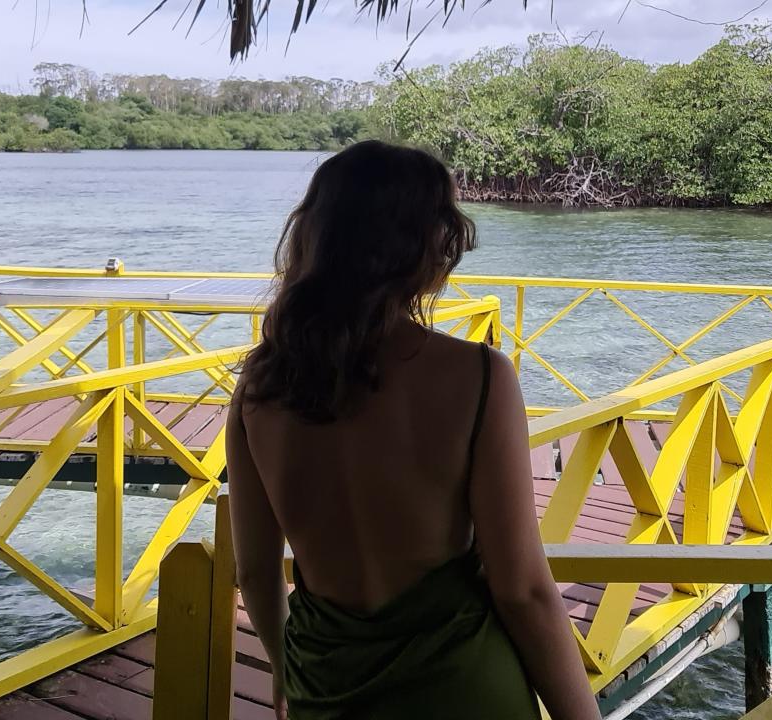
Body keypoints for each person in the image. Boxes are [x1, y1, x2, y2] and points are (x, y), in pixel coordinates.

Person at [227, 140, 601, 720]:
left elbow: (253, 569)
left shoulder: (259, 387)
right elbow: (521, 589)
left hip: (326, 685)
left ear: (315, 237)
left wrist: (284, 669)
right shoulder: (479, 376)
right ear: (424, 245)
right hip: (464, 686)